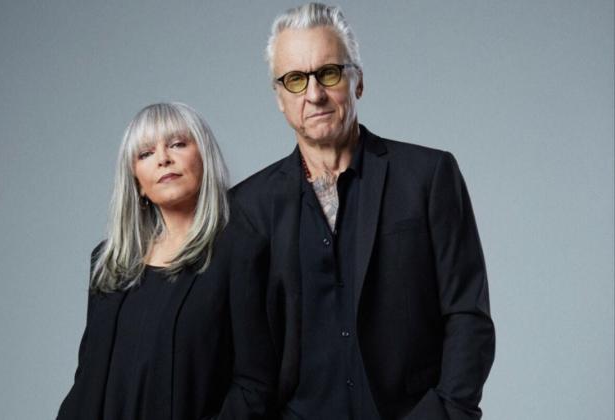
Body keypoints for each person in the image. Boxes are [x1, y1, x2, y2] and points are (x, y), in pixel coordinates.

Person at [231, 3, 495, 419]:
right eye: (295, 80)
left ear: (358, 82)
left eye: (329, 73)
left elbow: (468, 314)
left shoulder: (428, 177)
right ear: (280, 98)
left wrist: (447, 413)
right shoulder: (247, 208)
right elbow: (244, 354)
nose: (314, 94)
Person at [58, 102, 275, 419]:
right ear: (136, 181)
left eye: (177, 144)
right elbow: (87, 380)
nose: (163, 159)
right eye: (145, 153)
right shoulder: (108, 262)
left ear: (203, 157)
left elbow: (255, 386)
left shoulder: (240, 254)